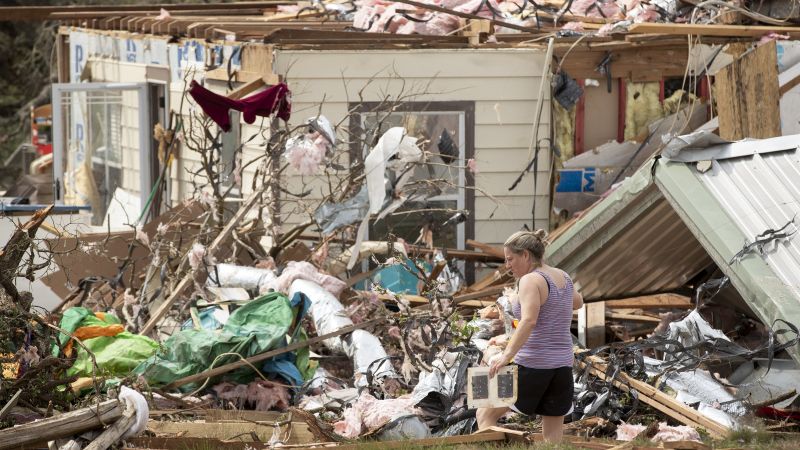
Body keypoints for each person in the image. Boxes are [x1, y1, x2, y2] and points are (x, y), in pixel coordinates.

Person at [476, 229, 584, 442]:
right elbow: (578, 302)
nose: (508, 265)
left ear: (525, 254)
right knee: (552, 435)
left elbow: (529, 320)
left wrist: (506, 356)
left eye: (510, 259)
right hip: (562, 366)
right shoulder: (563, 276)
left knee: (485, 412)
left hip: (532, 366)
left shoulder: (530, 280)